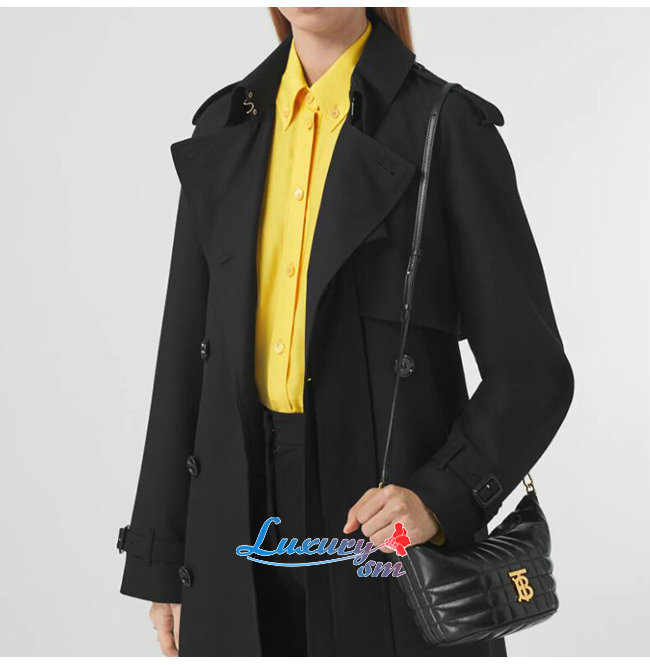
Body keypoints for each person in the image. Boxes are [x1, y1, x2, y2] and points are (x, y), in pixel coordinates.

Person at [117, 7, 574, 657]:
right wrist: (163, 559)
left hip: (382, 533)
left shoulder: (444, 125)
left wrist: (438, 498)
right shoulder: (224, 127)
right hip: (231, 522)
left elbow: (532, 373)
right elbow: (186, 355)